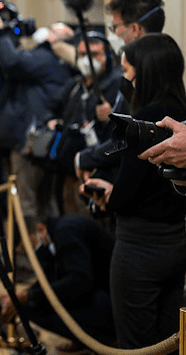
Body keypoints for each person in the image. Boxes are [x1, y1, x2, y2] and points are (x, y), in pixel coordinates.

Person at [81, 33, 186, 350]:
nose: (124, 79)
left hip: (140, 247)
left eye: (127, 71)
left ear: (145, 72)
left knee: (136, 343)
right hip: (179, 244)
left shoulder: (143, 120)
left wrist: (106, 193)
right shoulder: (183, 115)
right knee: (169, 340)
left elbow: (125, 193)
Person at [75, 0, 166, 180]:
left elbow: (129, 140)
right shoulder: (156, 63)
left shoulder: (145, 73)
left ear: (134, 29)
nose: (115, 33)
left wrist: (85, 159)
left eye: (116, 26)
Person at [0, 21, 72, 226]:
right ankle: (46, 251)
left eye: (55, 32)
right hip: (44, 141)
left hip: (31, 142)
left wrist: (2, 34)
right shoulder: (59, 63)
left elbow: (12, 61)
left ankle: (29, 254)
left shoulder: (48, 58)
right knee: (45, 201)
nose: (48, 33)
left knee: (25, 201)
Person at [0, 214, 115, 345]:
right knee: (31, 302)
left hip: (112, 303)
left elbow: (80, 280)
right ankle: (85, 341)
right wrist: (22, 295)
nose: (30, 253)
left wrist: (29, 296)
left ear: (39, 229)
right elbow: (52, 278)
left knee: (34, 308)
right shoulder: (58, 230)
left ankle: (103, 343)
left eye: (28, 247)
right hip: (103, 293)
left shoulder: (64, 231)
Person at [45, 34, 121, 213]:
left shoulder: (116, 85)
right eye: (83, 55)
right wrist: (52, 121)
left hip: (97, 168)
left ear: (107, 56)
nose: (88, 60)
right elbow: (52, 108)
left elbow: (124, 132)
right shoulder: (74, 85)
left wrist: (111, 116)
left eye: (94, 55)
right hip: (68, 166)